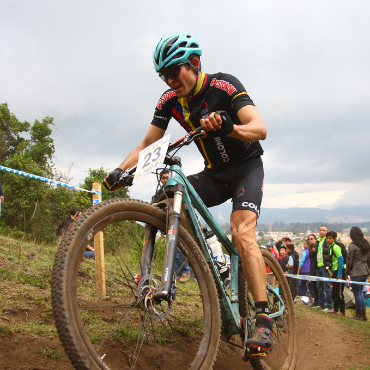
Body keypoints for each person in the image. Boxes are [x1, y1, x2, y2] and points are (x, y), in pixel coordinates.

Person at [103, 32, 274, 356]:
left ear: (194, 64)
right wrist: (121, 169)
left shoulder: (223, 86)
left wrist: (231, 128)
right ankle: (169, 273)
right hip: (213, 175)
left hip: (245, 169)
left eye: (174, 71)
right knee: (168, 196)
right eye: (163, 75)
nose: (169, 80)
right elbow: (146, 144)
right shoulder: (170, 101)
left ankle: (263, 318)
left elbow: (260, 128)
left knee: (242, 231)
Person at [346, 227, 370, 321]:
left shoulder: (352, 246)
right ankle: (363, 314)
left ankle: (359, 314)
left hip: (356, 272)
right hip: (365, 271)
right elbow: (369, 260)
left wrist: (346, 273)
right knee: (361, 293)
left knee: (357, 293)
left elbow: (349, 261)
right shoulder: (366, 244)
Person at [313, 225, 333, 311]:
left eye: (324, 230)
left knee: (327, 287)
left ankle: (329, 305)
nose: (322, 232)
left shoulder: (328, 241)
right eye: (320, 230)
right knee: (320, 286)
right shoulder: (317, 241)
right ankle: (321, 304)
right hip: (318, 266)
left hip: (326, 266)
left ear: (326, 232)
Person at [326, 231, 346, 315]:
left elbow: (341, 260)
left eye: (330, 238)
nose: (328, 240)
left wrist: (339, 274)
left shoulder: (335, 247)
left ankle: (342, 311)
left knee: (339, 292)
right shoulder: (330, 248)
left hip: (340, 271)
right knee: (334, 291)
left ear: (334, 239)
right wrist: (332, 273)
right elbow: (333, 262)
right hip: (335, 271)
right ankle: (335, 309)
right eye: (327, 238)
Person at [308, 233, 319, 307]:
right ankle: (315, 302)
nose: (310, 240)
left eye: (311, 239)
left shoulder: (318, 246)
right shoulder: (310, 247)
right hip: (312, 268)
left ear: (315, 239)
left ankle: (320, 302)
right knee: (314, 286)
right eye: (309, 239)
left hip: (318, 268)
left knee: (319, 287)